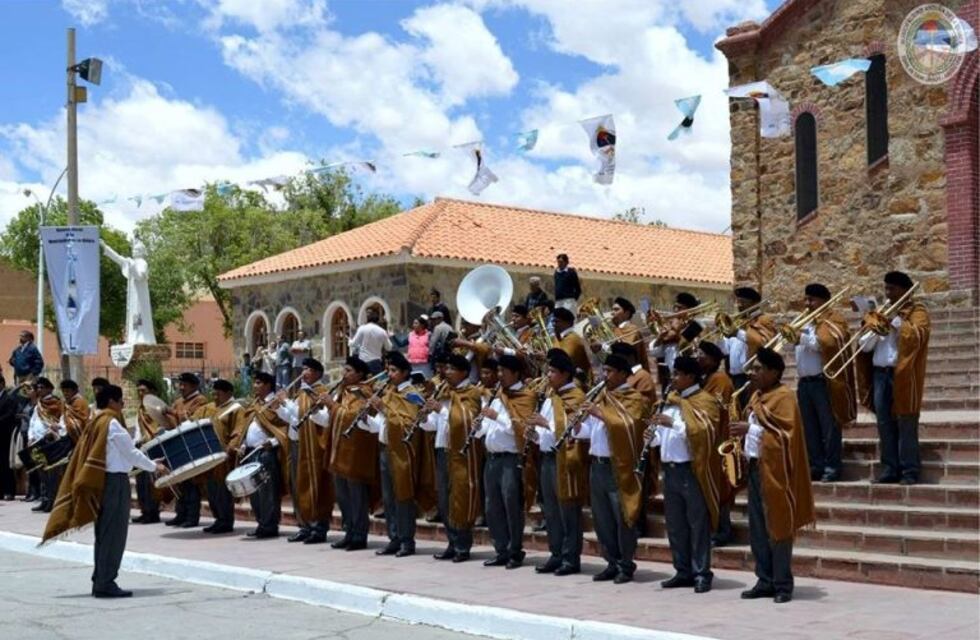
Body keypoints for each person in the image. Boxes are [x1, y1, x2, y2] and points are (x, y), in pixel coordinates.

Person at [41, 384, 168, 598]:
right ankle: (106, 582)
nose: (122, 405)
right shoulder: (112, 424)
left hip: (103, 481)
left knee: (103, 533)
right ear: (112, 402)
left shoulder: (96, 422)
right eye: (120, 401)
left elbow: (122, 454)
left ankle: (100, 578)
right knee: (114, 534)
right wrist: (156, 467)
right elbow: (130, 454)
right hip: (114, 484)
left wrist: (147, 462)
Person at [730, 347, 815, 604]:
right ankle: (763, 579)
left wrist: (751, 429)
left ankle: (782, 584)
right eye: (753, 369)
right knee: (757, 528)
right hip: (757, 468)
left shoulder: (785, 397)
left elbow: (785, 437)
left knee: (778, 526)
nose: (753, 373)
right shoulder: (756, 396)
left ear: (774, 372)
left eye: (758, 369)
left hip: (778, 471)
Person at [644, 356, 721, 593]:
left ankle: (701, 572)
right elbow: (665, 437)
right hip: (670, 470)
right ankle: (682, 570)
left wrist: (672, 424)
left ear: (690, 376)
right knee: (676, 524)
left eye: (677, 374)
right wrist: (653, 436)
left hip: (692, 470)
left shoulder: (705, 400)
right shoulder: (669, 401)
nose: (673, 378)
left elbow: (705, 432)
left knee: (697, 523)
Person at [574, 354, 650, 584]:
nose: (603, 375)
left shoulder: (634, 398)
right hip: (597, 465)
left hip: (620, 467)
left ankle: (626, 565)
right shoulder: (603, 396)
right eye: (603, 371)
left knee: (622, 517)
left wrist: (600, 413)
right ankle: (611, 562)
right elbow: (593, 432)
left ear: (621, 373)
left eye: (608, 371)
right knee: (602, 518)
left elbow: (629, 425)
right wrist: (578, 425)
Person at [857, 271, 930, 485]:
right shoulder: (879, 312)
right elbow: (865, 347)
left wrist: (896, 321)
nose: (887, 293)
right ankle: (889, 468)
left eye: (892, 289)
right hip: (880, 374)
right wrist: (871, 329)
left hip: (903, 374)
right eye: (886, 288)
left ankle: (909, 470)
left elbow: (919, 336)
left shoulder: (917, 311)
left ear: (904, 291)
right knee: (884, 423)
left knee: (906, 421)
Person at [358, 351, 426, 557]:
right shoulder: (389, 392)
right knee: (388, 497)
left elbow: (409, 424)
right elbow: (383, 424)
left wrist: (384, 409)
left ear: (405, 372)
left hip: (402, 453)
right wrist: (367, 417)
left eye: (394, 370)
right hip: (386, 448)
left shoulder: (412, 394)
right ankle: (393, 538)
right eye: (388, 370)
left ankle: (407, 540)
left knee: (403, 496)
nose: (390, 374)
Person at [528, 349, 587, 575]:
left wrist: (545, 424)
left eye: (552, 371)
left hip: (566, 460)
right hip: (548, 459)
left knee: (568, 511)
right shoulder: (550, 398)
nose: (548, 375)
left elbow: (573, 431)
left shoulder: (576, 397)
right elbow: (546, 435)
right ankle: (556, 553)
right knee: (550, 510)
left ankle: (571, 558)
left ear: (565, 374)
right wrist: (533, 434)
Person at [476, 354, 538, 569]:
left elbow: (520, 430)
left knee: (511, 504)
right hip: (492, 458)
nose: (499, 376)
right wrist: (478, 428)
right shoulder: (497, 393)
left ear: (516, 373)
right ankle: (500, 549)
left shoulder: (525, 395)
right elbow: (488, 427)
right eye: (498, 371)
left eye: (503, 372)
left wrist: (496, 417)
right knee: (492, 507)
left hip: (510, 459)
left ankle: (514, 550)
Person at [790, 283, 856, 483]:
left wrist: (802, 337)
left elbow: (827, 344)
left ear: (824, 301)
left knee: (829, 427)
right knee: (809, 428)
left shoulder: (833, 320)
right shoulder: (806, 322)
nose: (807, 304)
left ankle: (832, 466)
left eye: (812, 300)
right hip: (805, 382)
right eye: (806, 299)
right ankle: (816, 465)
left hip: (823, 381)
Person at [423, 354, 484, 562]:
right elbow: (436, 423)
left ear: (463, 372)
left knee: (460, 497)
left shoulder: (472, 393)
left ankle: (463, 545)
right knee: (444, 499)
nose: (446, 372)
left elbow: (465, 419)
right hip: (442, 448)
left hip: (461, 452)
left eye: (451, 369)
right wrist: (425, 417)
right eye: (446, 368)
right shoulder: (444, 390)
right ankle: (452, 541)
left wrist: (440, 409)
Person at [227, 372, 291, 539]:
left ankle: (269, 525)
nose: (254, 386)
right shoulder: (254, 405)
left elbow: (284, 428)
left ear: (267, 385)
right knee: (254, 492)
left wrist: (274, 442)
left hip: (266, 453)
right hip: (250, 453)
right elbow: (245, 428)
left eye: (257, 383)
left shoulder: (275, 404)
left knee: (268, 491)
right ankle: (261, 523)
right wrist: (242, 444)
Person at [323, 356, 377, 551]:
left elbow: (352, 415)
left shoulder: (364, 392)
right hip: (339, 451)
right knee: (343, 496)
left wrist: (333, 406)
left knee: (357, 497)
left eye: (348, 371)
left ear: (360, 374)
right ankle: (349, 532)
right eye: (344, 371)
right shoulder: (343, 392)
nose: (344, 375)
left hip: (356, 454)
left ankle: (359, 535)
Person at [280, 358, 332, 544]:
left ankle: (318, 527)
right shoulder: (302, 392)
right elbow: (293, 418)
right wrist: (280, 406)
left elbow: (318, 418)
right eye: (303, 369)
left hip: (313, 447)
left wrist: (286, 402)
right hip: (297, 443)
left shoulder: (320, 392)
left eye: (308, 369)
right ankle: (304, 526)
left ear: (318, 373)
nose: (303, 372)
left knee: (315, 486)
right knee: (298, 486)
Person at [698, 342, 737, 547]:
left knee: (721, 485)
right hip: (706, 442)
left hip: (720, 440)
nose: (698, 357)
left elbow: (713, 407)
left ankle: (723, 529)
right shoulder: (704, 379)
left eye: (702, 354)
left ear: (713, 359)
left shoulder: (720, 379)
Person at [200, 379, 246, 533]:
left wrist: (229, 450)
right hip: (209, 457)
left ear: (228, 393)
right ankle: (218, 519)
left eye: (218, 393)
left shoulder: (236, 409)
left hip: (224, 457)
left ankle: (226, 521)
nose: (214, 396)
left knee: (222, 491)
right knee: (211, 490)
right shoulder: (211, 408)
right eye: (213, 393)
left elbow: (238, 432)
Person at [164, 373, 209, 528]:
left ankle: (192, 516)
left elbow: (193, 418)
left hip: (191, 444)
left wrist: (173, 413)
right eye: (180, 384)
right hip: (179, 444)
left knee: (191, 482)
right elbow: (172, 421)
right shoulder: (178, 402)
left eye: (184, 385)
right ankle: (180, 514)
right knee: (180, 482)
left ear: (194, 386)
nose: (181, 388)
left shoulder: (200, 401)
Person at [721, 287, 776, 411]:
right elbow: (726, 351)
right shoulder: (737, 322)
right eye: (738, 302)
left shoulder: (764, 320)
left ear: (754, 303)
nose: (739, 305)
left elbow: (765, 343)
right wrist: (720, 337)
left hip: (751, 377)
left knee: (749, 412)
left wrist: (738, 333)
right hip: (734, 378)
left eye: (743, 302)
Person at [28, 377, 65, 513]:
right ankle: (44, 500)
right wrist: (31, 437)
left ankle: (52, 501)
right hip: (37, 442)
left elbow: (59, 421)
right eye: (38, 387)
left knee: (52, 474)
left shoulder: (56, 403)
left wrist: (51, 431)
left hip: (50, 441)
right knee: (41, 472)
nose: (39, 390)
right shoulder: (38, 405)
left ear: (49, 388)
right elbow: (33, 422)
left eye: (42, 387)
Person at [132, 379, 163, 524]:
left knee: (151, 482)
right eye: (138, 390)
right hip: (141, 447)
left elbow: (161, 426)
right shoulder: (140, 409)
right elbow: (138, 430)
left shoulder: (157, 407)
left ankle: (153, 512)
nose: (140, 393)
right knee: (141, 482)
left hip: (153, 446)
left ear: (152, 392)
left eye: (143, 390)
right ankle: (144, 510)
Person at [0, 373, 25, 500]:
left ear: (2, 384)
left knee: (5, 464)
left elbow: (9, 415)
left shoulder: (9, 399)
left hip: (5, 435)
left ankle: (9, 491)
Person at [553, 307, 591, 381]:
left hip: (575, 381)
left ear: (568, 323)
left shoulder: (573, 339)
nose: (553, 325)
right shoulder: (559, 337)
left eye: (557, 321)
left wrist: (545, 358)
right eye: (553, 322)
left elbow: (563, 361)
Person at [350, 310, 392, 375]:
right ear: (377, 321)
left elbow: (353, 344)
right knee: (378, 383)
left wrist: (349, 341)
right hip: (376, 362)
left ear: (367, 319)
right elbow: (389, 347)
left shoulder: (362, 328)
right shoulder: (382, 331)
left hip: (363, 362)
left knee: (362, 384)